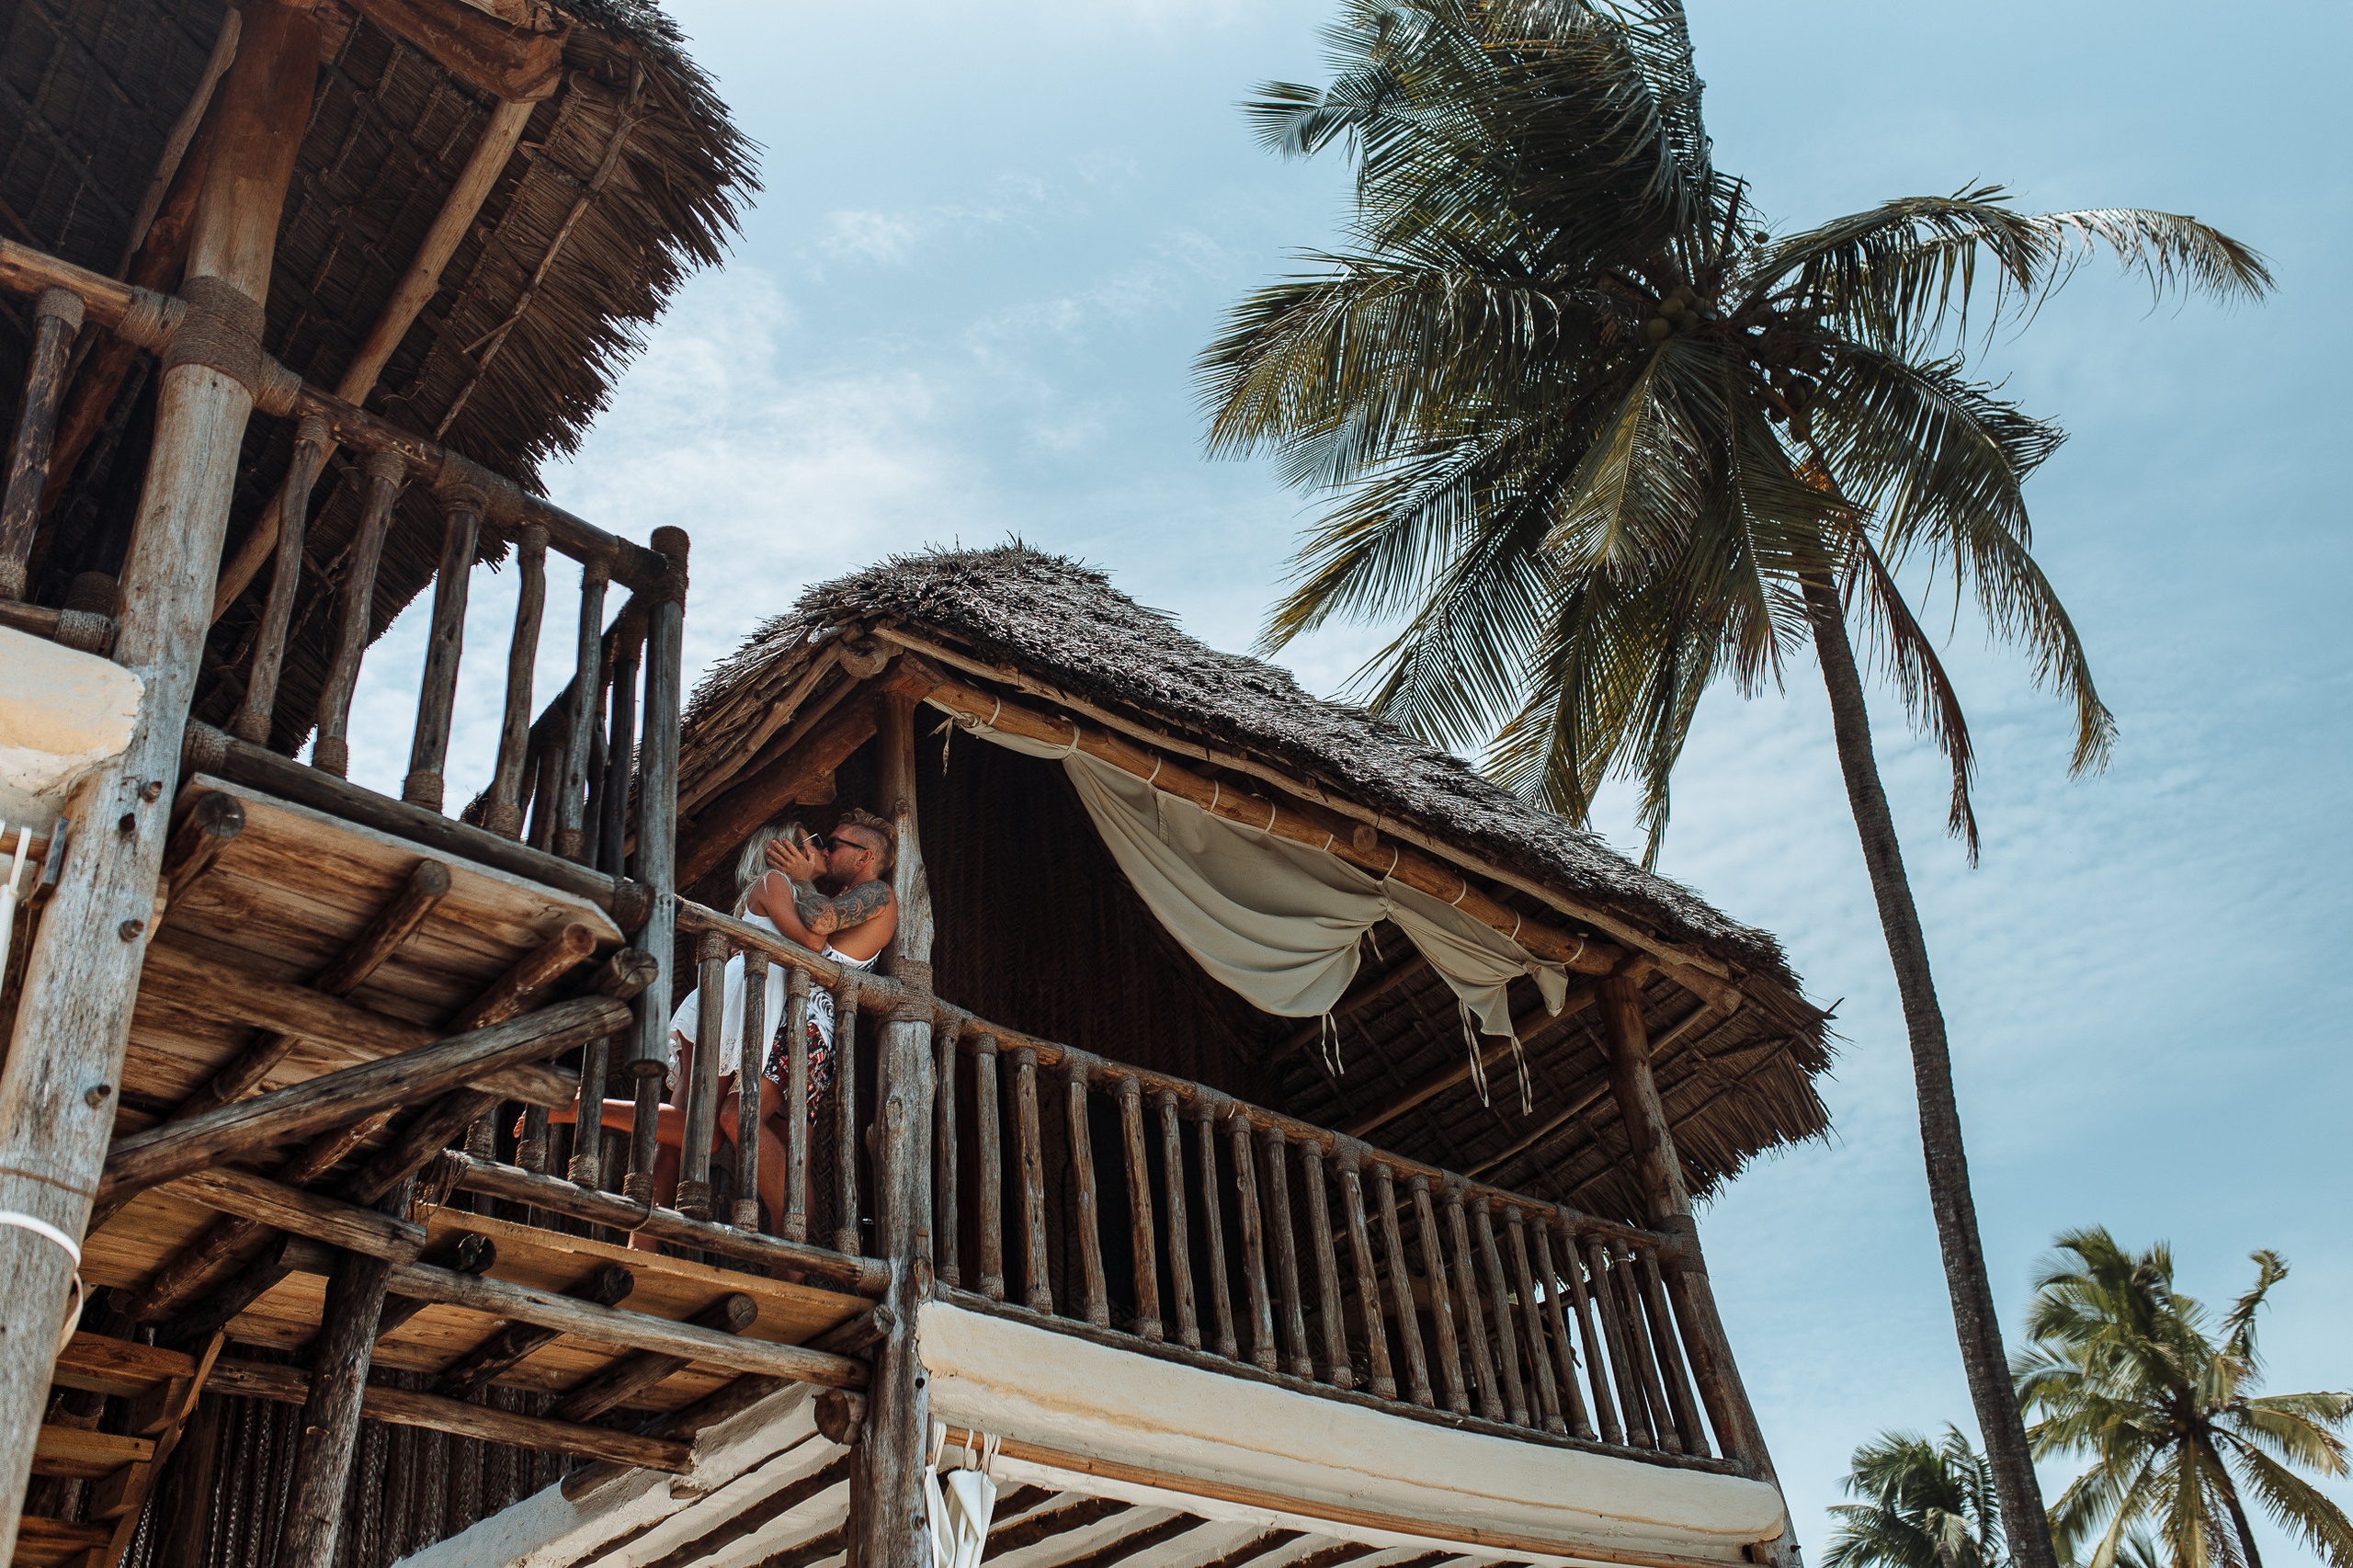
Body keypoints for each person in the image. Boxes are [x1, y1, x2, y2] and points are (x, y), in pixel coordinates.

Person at [545, 810, 898, 1248]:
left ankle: (785, 1263)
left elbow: (815, 932)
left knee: (726, 1134)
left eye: (833, 843)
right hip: (753, 1009)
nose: (823, 849)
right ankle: (643, 1243)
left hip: (794, 1021)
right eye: (814, 842)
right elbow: (806, 936)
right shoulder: (782, 888)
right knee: (707, 1129)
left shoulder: (872, 894)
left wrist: (799, 877)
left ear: (865, 856)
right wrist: (793, 883)